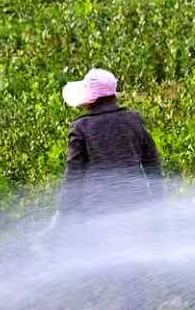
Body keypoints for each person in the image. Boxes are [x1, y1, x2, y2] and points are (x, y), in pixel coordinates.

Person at [59, 68, 162, 217]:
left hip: (97, 210)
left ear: (90, 99)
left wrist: (65, 212)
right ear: (113, 95)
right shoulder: (133, 119)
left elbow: (74, 174)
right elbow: (152, 162)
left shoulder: (81, 127)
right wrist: (158, 201)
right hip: (137, 205)